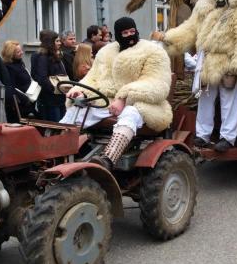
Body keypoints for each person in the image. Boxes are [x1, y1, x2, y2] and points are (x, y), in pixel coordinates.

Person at [155, 0, 237, 152]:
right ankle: (203, 134)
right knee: (205, 97)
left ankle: (227, 137)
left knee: (229, 99)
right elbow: (189, 29)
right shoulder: (205, 11)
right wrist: (168, 37)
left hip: (228, 60)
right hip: (207, 62)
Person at [62, 17, 172, 169]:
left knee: (131, 113)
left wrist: (124, 97)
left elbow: (157, 83)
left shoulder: (152, 52)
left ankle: (107, 158)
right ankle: (54, 154)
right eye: (125, 33)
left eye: (132, 31)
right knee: (77, 110)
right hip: (106, 102)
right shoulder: (106, 53)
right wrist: (80, 92)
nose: (129, 36)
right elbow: (92, 78)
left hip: (141, 103)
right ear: (118, 35)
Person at [31, 30, 67, 122]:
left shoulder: (54, 55)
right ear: (50, 42)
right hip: (50, 99)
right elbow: (41, 78)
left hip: (59, 97)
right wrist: (55, 88)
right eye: (57, 41)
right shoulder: (42, 57)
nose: (60, 43)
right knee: (55, 126)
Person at [2, 39, 36, 118]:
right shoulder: (8, 67)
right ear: (11, 54)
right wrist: (25, 99)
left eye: (21, 50)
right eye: (18, 52)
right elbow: (11, 87)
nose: (22, 53)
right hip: (20, 104)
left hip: (29, 101)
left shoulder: (20, 63)